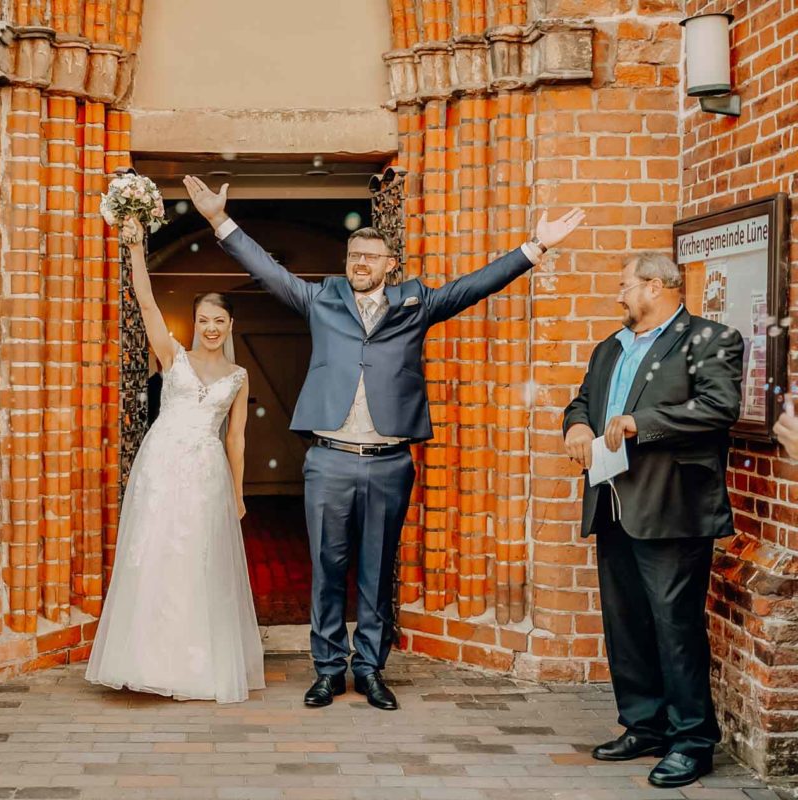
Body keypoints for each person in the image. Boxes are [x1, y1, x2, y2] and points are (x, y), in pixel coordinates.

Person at [184, 175, 585, 710]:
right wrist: (218, 220)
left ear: (389, 264)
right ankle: (327, 668)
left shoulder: (415, 304)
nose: (361, 263)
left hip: (389, 461)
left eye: (371, 257)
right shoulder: (322, 298)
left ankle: (370, 668)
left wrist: (533, 247)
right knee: (327, 567)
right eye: (354, 255)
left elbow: (472, 285)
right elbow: (268, 271)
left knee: (377, 568)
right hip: (328, 460)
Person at [562, 253, 744, 788]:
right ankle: (643, 725)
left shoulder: (710, 339)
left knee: (675, 626)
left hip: (672, 507)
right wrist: (575, 427)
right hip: (612, 501)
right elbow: (581, 402)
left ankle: (692, 741)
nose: (619, 296)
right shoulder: (608, 349)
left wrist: (642, 423)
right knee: (626, 624)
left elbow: (719, 406)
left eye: (625, 286)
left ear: (657, 286)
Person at [85, 217, 264, 704]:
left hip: (207, 472)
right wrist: (136, 247)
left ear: (231, 325)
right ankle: (145, 661)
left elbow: (238, 441)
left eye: (219, 321)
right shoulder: (172, 356)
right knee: (156, 552)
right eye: (203, 319)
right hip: (161, 467)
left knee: (198, 559)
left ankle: (195, 664)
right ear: (195, 321)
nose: (210, 328)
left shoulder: (239, 376)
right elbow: (145, 302)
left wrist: (238, 494)